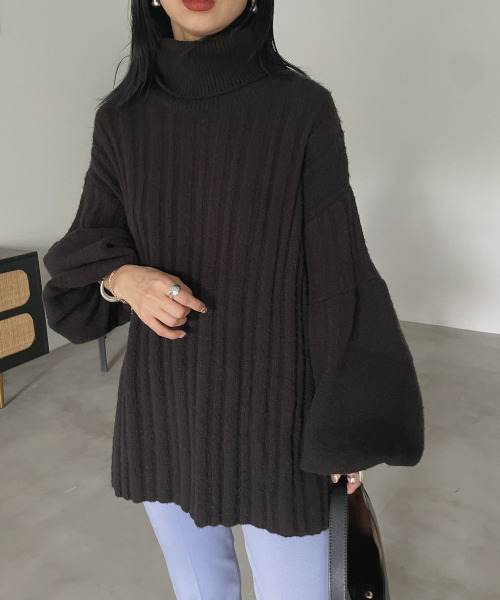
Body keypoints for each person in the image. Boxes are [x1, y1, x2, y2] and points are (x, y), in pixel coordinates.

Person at [42, 0, 425, 598]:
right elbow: (87, 249)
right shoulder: (121, 119)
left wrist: (345, 424)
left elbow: (339, 275)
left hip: (279, 417)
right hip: (165, 410)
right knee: (200, 591)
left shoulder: (301, 109)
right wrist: (123, 278)